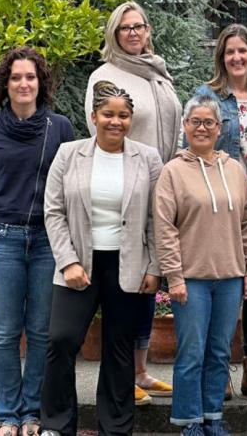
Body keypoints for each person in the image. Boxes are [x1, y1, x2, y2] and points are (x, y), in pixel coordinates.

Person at [41, 81, 163, 436]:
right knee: (61, 340)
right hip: (79, 264)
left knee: (119, 347)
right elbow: (53, 211)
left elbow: (157, 217)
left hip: (129, 266)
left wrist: (154, 267)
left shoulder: (148, 158)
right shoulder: (68, 153)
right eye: (108, 114)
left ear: (131, 120)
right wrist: (68, 262)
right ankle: (56, 424)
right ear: (94, 116)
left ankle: (116, 426)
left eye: (123, 115)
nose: (116, 121)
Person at [0, 46, 75, 436]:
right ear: (5, 84)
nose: (24, 83)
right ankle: (7, 416)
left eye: (30, 76)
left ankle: (32, 414)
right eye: (16, 77)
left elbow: (72, 186)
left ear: (40, 82)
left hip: (49, 241)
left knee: (43, 331)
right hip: (3, 239)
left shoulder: (60, 128)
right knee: (5, 332)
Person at [84, 1, 181, 405]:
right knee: (124, 285)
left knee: (148, 283)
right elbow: (106, 126)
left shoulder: (158, 72)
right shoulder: (106, 76)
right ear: (114, 33)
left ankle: (141, 370)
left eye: (139, 26)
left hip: (160, 186)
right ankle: (122, 375)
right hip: (126, 189)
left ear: (148, 29)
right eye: (125, 28)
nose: (133, 33)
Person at [153, 95, 247, 436]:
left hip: (229, 277)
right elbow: (164, 227)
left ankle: (213, 415)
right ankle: (189, 421)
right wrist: (174, 277)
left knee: (219, 352)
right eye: (195, 122)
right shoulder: (172, 171)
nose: (201, 128)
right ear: (185, 127)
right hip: (191, 280)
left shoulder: (235, 170)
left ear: (219, 128)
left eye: (208, 122)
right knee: (192, 352)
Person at [191, 23, 247, 401]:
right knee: (221, 284)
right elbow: (191, 146)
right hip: (220, 203)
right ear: (221, 57)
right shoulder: (206, 95)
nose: (237, 58)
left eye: (243, 50)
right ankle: (218, 369)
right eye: (230, 52)